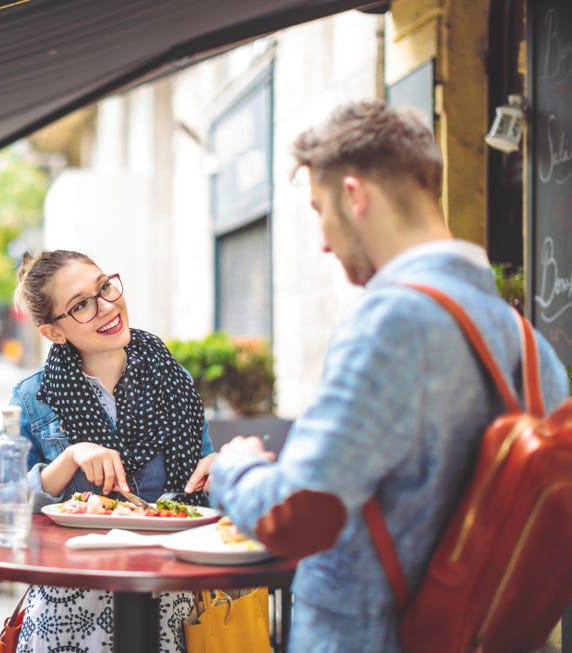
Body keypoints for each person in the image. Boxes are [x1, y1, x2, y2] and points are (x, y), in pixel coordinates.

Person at [208, 99, 570, 652]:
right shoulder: (529, 342)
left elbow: (297, 513)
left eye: (319, 211)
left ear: (354, 196)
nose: (324, 242)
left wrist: (236, 466)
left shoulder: (391, 320)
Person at [3, 249, 217, 653]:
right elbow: (6, 503)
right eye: (81, 305)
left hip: (166, 596)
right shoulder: (33, 397)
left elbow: (201, 494)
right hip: (68, 604)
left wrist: (223, 471)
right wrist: (69, 458)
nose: (106, 306)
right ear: (54, 332)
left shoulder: (175, 381)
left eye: (104, 287)